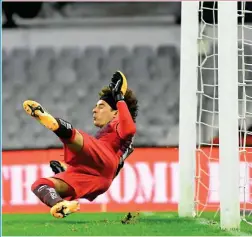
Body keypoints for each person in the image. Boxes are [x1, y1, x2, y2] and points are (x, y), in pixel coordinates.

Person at [23, 71, 138, 218]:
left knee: (79, 138)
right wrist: (64, 171)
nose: (94, 110)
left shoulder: (118, 123)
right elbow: (111, 170)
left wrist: (120, 98)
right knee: (40, 184)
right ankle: (59, 204)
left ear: (115, 113)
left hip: (104, 158)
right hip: (100, 178)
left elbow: (130, 129)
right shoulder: (116, 138)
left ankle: (57, 125)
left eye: (101, 106)